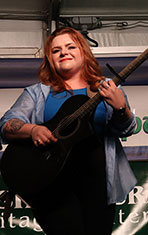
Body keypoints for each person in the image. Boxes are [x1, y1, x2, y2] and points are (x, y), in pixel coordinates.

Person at [0, 27, 137, 235]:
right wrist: (33, 130)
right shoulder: (37, 93)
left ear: (83, 52)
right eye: (56, 50)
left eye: (70, 46)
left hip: (97, 185)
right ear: (50, 59)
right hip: (51, 184)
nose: (64, 52)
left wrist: (121, 108)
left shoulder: (106, 88)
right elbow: (6, 124)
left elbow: (126, 128)